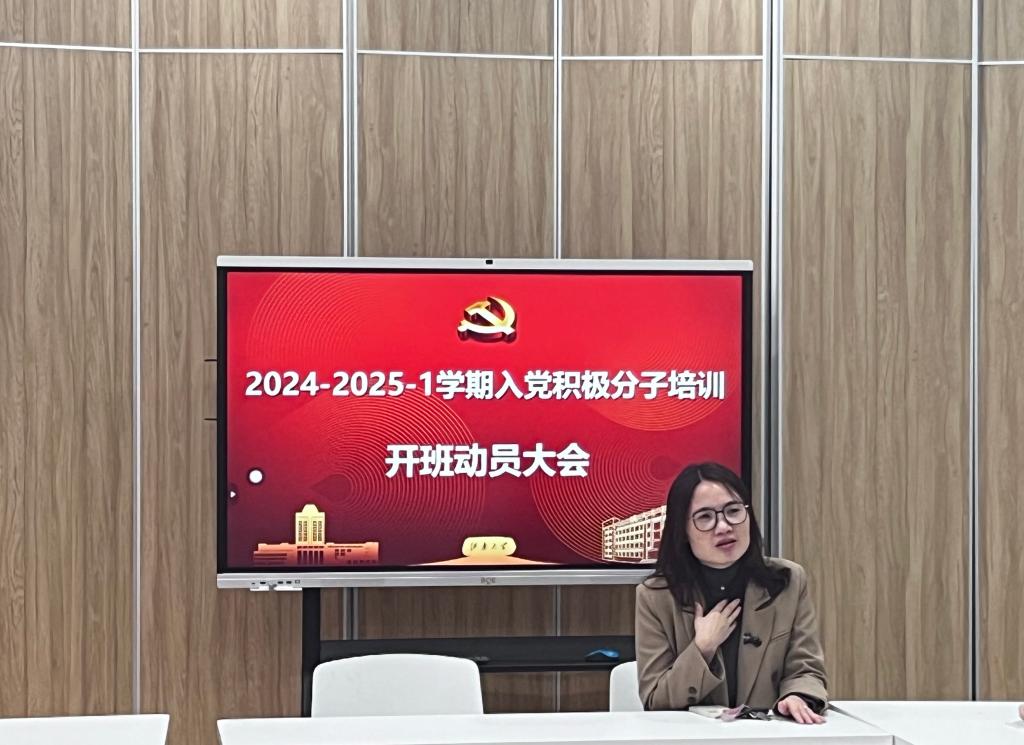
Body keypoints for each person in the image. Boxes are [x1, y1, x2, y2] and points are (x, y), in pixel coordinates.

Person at [635, 462, 828, 723]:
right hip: (694, 739)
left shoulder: (788, 581)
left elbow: (806, 670)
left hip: (769, 736)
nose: (724, 526)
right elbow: (655, 700)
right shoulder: (655, 596)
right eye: (705, 517)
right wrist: (702, 648)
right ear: (682, 531)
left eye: (733, 511)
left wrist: (798, 696)